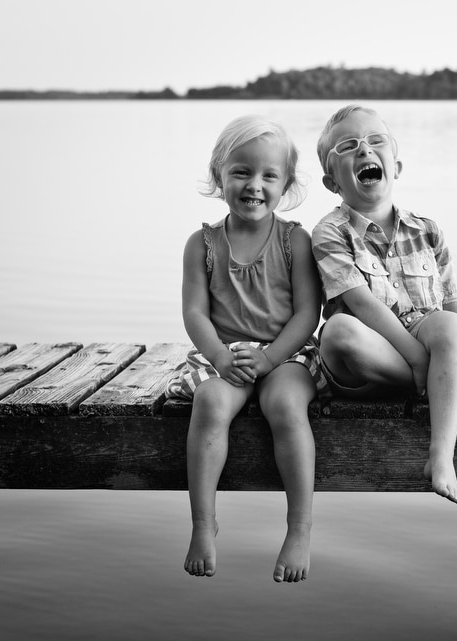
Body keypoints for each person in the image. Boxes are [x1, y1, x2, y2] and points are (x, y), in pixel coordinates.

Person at [311, 105, 457, 506]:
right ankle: (446, 384)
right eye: (348, 146)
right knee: (339, 330)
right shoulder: (330, 232)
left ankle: (441, 455)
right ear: (332, 181)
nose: (364, 150)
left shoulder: (427, 230)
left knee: (450, 328)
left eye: (376, 141)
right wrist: (423, 362)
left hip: (414, 343)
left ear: (396, 166)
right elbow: (362, 305)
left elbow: (452, 302)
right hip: (362, 361)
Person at [166, 115, 325, 583]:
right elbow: (195, 312)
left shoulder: (295, 240)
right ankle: (202, 523)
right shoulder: (203, 243)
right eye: (241, 172)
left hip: (287, 353)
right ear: (220, 175)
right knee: (211, 401)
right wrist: (218, 357)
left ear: (285, 185)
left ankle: (299, 529)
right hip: (226, 353)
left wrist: (272, 358)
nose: (254, 185)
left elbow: (306, 313)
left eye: (268, 176)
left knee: (285, 403)